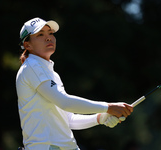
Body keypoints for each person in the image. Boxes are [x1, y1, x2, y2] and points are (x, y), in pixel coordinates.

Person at [16, 17, 133, 150]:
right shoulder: (32, 66)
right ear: (27, 45)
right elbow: (65, 102)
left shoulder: (52, 74)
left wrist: (99, 118)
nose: (48, 38)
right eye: (40, 35)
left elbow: (69, 119)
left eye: (50, 33)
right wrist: (108, 107)